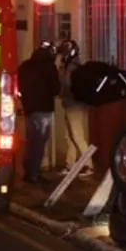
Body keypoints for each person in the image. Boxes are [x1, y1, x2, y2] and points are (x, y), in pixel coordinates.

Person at [17, 42, 60, 185]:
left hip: (29, 108)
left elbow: (18, 86)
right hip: (44, 109)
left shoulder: (24, 66)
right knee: (39, 143)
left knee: (31, 141)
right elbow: (56, 89)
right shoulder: (49, 67)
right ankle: (33, 174)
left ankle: (28, 170)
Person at [57, 40, 95, 177]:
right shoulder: (71, 65)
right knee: (69, 136)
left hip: (74, 105)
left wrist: (62, 69)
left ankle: (88, 165)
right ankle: (70, 164)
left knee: (78, 136)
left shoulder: (73, 67)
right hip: (69, 104)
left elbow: (66, 83)